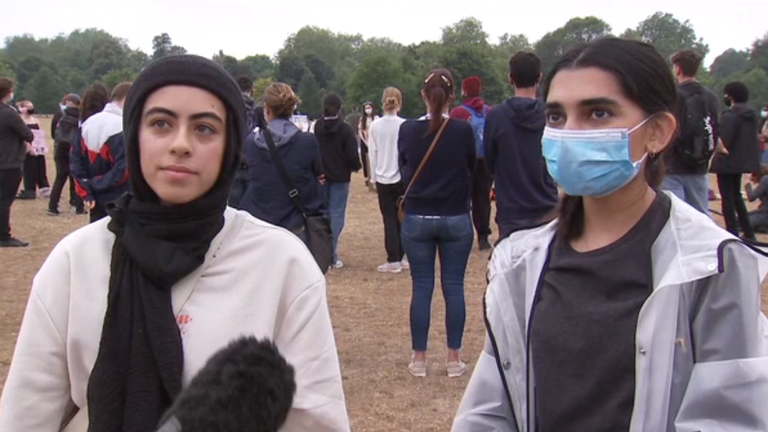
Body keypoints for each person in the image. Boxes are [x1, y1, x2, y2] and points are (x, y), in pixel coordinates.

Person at [0, 55, 350, 432]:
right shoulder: (76, 260)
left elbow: (315, 421)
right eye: (161, 123)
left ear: (231, 144)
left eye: (204, 128)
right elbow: (26, 416)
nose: (181, 144)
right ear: (135, 134)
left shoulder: (282, 265)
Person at [452, 37, 768, 432]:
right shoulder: (520, 263)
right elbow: (491, 407)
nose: (571, 133)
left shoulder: (710, 265)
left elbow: (730, 416)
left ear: (657, 132)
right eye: (556, 117)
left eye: (598, 113)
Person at [399, 69, 475, 378]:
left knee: (422, 286)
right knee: (453, 287)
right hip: (455, 215)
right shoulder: (462, 130)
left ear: (422, 95)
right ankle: (453, 358)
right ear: (452, 97)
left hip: (418, 216)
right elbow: (472, 166)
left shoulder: (407, 130)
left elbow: (404, 164)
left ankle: (419, 358)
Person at [485, 52, 559, 242]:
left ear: (510, 78)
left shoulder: (496, 116)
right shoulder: (552, 116)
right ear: (540, 77)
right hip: (547, 206)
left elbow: (489, 162)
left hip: (511, 209)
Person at [241, 83, 327, 239]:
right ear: (292, 108)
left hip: (260, 223)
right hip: (295, 222)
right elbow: (318, 174)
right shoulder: (307, 142)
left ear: (266, 108)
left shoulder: (251, 143)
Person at [660, 50, 719, 215]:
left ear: (677, 69)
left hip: (673, 164)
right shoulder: (711, 97)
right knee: (700, 215)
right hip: (699, 164)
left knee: (674, 214)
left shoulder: (673, 95)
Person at [71, 82, 131, 223]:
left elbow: (76, 162)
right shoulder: (122, 126)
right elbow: (125, 169)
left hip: (96, 198)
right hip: (120, 198)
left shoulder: (87, 123)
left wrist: (87, 191)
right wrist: (97, 184)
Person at [315, 92, 361, 269]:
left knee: (323, 214)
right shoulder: (345, 128)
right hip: (340, 176)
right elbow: (351, 153)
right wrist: (355, 166)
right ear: (340, 107)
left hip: (321, 175)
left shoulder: (317, 126)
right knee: (336, 215)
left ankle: (322, 252)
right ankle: (331, 254)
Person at [711, 81, 761, 240]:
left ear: (730, 96)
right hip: (741, 162)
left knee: (727, 199)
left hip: (726, 162)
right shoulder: (751, 116)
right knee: (737, 198)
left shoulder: (730, 116)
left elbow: (723, 140)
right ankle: (748, 231)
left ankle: (731, 231)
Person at [450, 76, 493, 250]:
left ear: (464, 91)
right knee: (482, 199)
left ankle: (461, 235)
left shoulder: (458, 113)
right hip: (486, 161)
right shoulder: (489, 111)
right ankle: (483, 236)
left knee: (462, 199)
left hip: (465, 161)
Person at [369, 87, 408, 272]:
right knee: (403, 218)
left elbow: (372, 153)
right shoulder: (405, 125)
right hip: (401, 177)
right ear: (399, 103)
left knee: (389, 219)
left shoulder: (375, 126)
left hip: (383, 178)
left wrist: (373, 178)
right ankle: (403, 255)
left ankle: (393, 259)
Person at [0, 77, 33, 247]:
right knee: (5, 200)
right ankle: (3, 235)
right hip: (9, 161)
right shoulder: (8, 113)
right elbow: (27, 134)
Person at [49, 94, 86, 215]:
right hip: (74, 148)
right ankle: (77, 206)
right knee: (76, 177)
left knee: (60, 177)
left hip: (60, 148)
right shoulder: (82, 115)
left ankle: (53, 207)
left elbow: (53, 132)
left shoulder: (60, 114)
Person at [229, 76, 258, 209]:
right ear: (251, 90)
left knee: (232, 209)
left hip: (233, 162)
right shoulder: (257, 111)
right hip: (252, 162)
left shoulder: (228, 109)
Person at [16, 100, 50, 200]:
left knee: (41, 167)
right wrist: (28, 147)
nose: (30, 109)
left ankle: (44, 187)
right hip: (28, 148)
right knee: (29, 168)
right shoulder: (20, 121)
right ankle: (30, 190)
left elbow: (39, 135)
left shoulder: (35, 120)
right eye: (28, 107)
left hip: (38, 147)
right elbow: (22, 136)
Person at [359, 101, 378, 191]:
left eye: (369, 107)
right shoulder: (362, 119)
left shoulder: (376, 118)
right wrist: (365, 141)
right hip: (365, 141)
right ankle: (367, 177)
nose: (368, 110)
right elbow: (361, 131)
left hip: (374, 141)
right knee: (365, 160)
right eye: (366, 108)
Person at [746, 164, 768, 233]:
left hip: (764, 214)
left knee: (743, 223)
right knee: (742, 217)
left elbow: (751, 197)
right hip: (763, 212)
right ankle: (762, 227)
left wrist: (747, 184)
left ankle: (762, 226)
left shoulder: (765, 180)